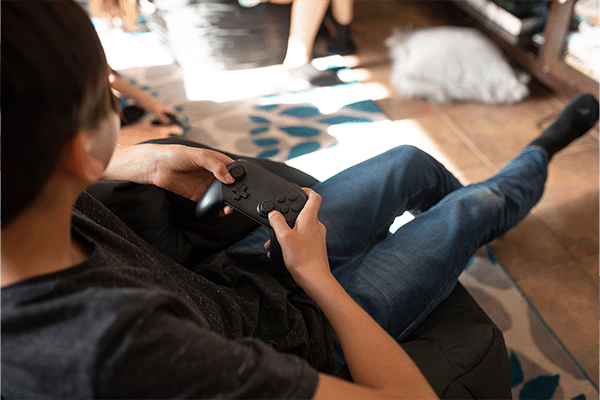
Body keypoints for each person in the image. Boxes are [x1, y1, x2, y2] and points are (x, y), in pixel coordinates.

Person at [2, 1, 598, 399]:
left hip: (236, 281)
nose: (117, 105)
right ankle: (536, 161)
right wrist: (318, 278)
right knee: (473, 208)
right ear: (74, 150)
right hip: (303, 338)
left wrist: (145, 160)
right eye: (106, 96)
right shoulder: (123, 350)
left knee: (408, 162)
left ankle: (488, 214)